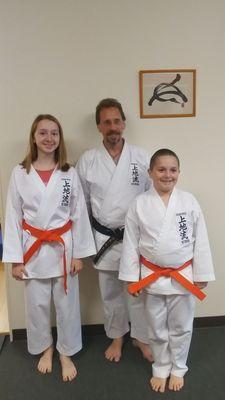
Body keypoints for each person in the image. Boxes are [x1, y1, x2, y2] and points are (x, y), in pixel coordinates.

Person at [2, 114, 96, 381]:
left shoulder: (68, 172)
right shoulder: (20, 172)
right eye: (42, 133)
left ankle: (65, 352)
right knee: (37, 305)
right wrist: (15, 260)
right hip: (32, 248)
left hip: (63, 247)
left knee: (67, 304)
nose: (48, 138)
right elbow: (12, 216)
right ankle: (46, 348)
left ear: (60, 138)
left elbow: (78, 213)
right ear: (33, 137)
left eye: (54, 133)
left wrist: (79, 254)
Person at [119, 148, 215, 393]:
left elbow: (200, 239)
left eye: (173, 170)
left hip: (182, 276)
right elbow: (131, 242)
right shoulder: (139, 203)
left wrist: (201, 273)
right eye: (161, 169)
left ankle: (179, 367)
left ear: (179, 173)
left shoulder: (188, 201)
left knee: (182, 326)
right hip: (151, 277)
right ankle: (161, 366)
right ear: (150, 172)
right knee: (156, 326)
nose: (167, 175)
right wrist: (132, 278)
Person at [76, 98, 152, 363]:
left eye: (116, 121)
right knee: (110, 292)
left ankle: (141, 338)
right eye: (106, 122)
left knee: (138, 290)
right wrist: (82, 244)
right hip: (104, 237)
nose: (113, 127)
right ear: (99, 126)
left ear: (124, 124)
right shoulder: (88, 160)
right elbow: (81, 205)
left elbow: (151, 199)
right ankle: (117, 337)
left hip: (136, 237)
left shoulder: (141, 157)